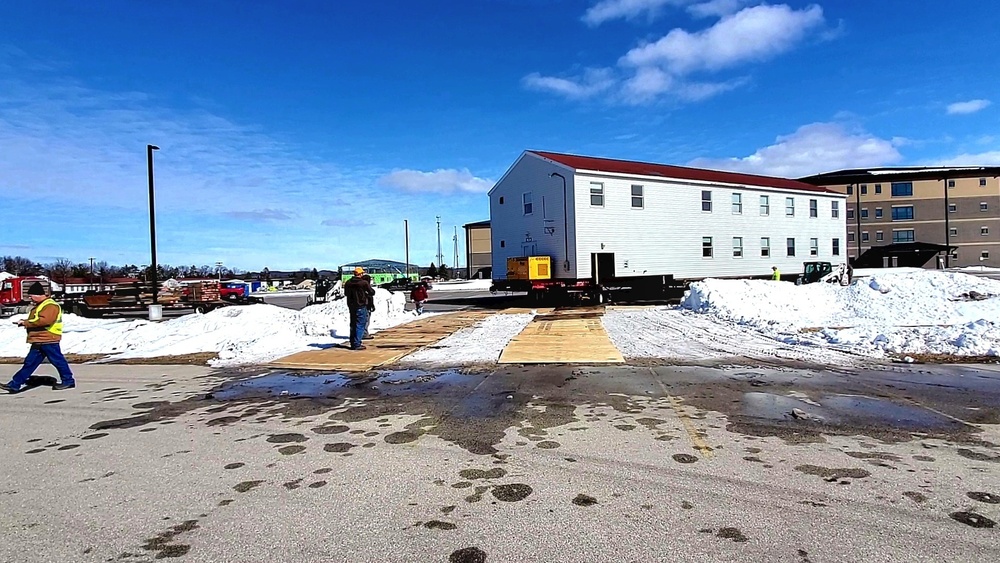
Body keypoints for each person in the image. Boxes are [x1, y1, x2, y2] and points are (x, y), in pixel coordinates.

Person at [1, 282, 76, 394]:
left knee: (58, 361)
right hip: (39, 339)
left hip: (48, 338)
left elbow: (45, 321)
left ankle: (68, 380)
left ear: (38, 294)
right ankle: (14, 384)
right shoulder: (41, 305)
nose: (30, 298)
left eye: (31, 295)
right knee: (29, 363)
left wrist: (25, 323)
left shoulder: (50, 305)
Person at [343, 267, 373, 350]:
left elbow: (346, 293)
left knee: (353, 324)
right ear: (361, 274)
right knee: (360, 324)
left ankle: (353, 342)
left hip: (351, 305)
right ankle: (357, 344)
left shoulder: (348, 283)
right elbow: (372, 292)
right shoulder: (363, 283)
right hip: (361, 305)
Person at [361, 274, 376, 340]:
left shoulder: (359, 286)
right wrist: (371, 305)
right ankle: (364, 334)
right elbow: (371, 294)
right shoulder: (366, 286)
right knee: (366, 320)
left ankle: (360, 334)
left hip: (358, 305)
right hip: (366, 305)